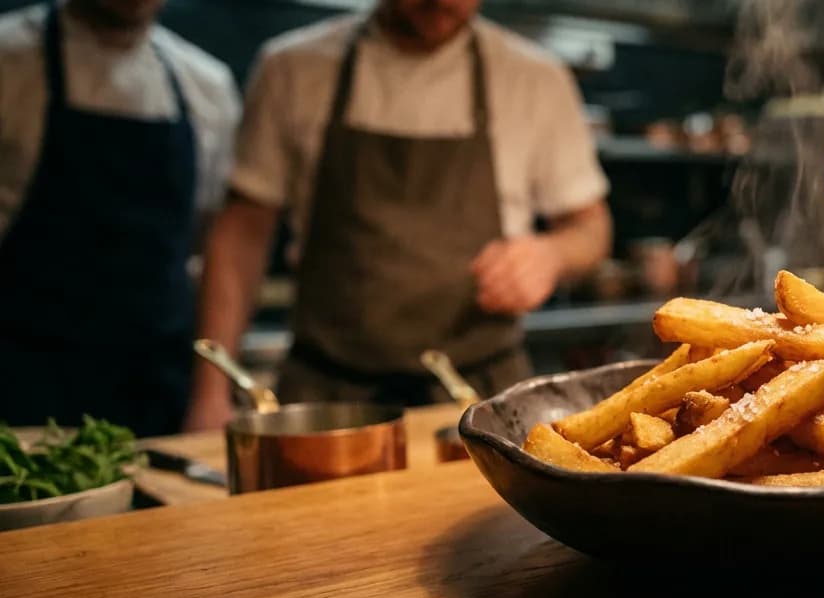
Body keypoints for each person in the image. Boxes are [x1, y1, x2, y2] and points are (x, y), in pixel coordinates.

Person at [183, 0, 611, 430]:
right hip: (326, 400)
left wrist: (551, 254)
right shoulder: (293, 68)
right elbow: (241, 233)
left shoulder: (534, 77)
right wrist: (210, 394)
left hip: (480, 396)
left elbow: (591, 227)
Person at [0, 0, 239, 436]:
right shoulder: (10, 61)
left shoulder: (207, 84)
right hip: (24, 380)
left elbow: (210, 240)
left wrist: (210, 396)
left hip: (158, 384)